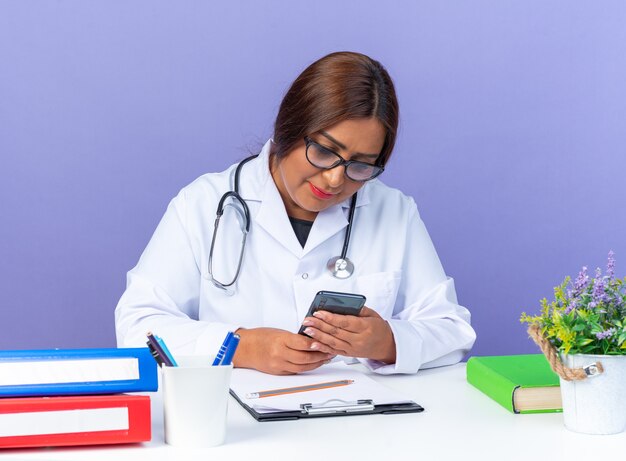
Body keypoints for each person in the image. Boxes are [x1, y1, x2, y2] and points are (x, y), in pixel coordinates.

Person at [115, 51, 476, 375]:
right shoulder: (202, 204)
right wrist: (241, 347)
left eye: (361, 166)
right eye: (324, 151)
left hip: (362, 425)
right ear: (287, 129)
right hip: (235, 424)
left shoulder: (394, 211)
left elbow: (451, 328)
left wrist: (388, 342)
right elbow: (137, 326)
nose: (336, 179)